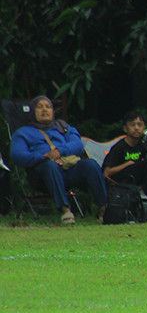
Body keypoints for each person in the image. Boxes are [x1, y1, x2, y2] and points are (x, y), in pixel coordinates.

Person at [9, 95, 108, 224]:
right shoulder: (23, 133)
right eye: (40, 107)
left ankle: (104, 208)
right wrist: (44, 157)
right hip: (42, 175)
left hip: (68, 169)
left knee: (91, 164)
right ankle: (65, 210)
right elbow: (17, 155)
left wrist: (60, 151)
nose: (45, 110)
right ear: (33, 112)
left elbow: (78, 145)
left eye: (48, 107)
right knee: (50, 165)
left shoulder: (63, 128)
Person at [103, 110, 147, 191]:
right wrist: (128, 164)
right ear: (125, 128)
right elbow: (107, 172)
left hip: (137, 179)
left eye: (139, 125)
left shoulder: (143, 146)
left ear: (144, 128)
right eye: (132, 125)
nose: (136, 128)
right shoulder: (119, 147)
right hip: (121, 180)